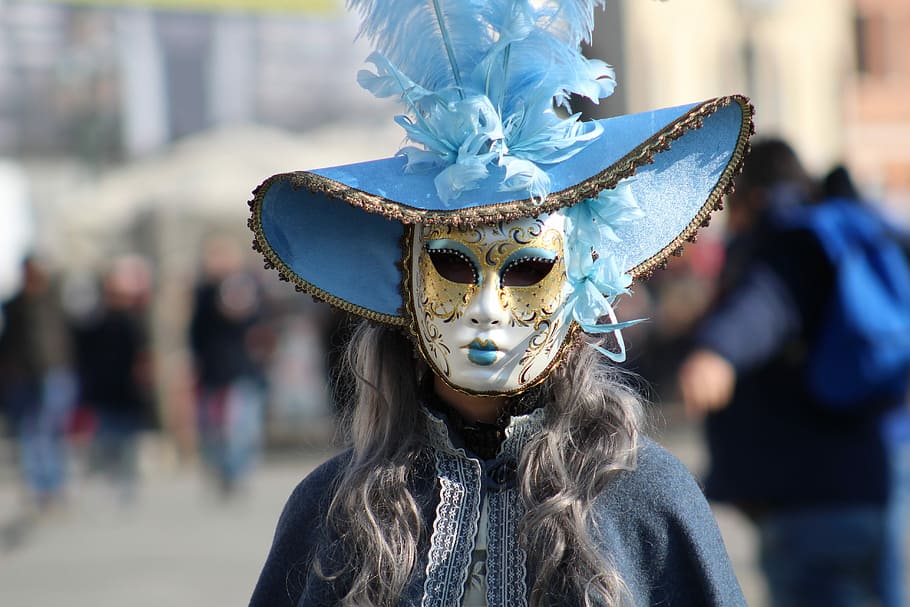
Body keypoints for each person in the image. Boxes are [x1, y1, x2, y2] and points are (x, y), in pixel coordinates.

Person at [248, 1, 753, 604]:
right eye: (453, 266)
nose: (488, 309)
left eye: (527, 270)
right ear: (404, 285)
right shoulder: (334, 509)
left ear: (580, 281)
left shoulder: (645, 496)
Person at [678, 139, 910, 607]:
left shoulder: (785, 243)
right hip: (871, 485)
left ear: (752, 196)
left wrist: (716, 351)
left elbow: (766, 303)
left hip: (807, 502)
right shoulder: (843, 234)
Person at [189, 235, 270, 497]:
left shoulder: (247, 286)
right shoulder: (202, 292)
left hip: (243, 370)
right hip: (212, 371)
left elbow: (250, 319)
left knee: (242, 428)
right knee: (213, 429)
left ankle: (236, 473)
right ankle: (222, 471)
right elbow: (195, 333)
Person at [73, 255, 154, 504]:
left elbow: (142, 353)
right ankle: (113, 478)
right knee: (108, 438)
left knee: (126, 439)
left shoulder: (132, 320)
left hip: (125, 388)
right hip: (105, 388)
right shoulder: (94, 320)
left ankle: (126, 483)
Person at [0, 257, 77, 514]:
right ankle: (43, 490)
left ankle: (56, 487)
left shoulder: (52, 301)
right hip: (25, 378)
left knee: (52, 432)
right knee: (34, 434)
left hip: (55, 375)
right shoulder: (15, 306)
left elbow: (66, 337)